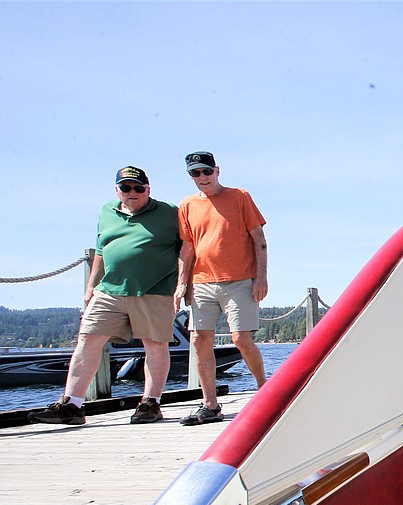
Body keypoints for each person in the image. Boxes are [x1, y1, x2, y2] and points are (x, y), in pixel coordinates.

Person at [28, 166, 181, 426]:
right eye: (125, 188)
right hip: (109, 290)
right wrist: (91, 286)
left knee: (155, 344)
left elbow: (186, 248)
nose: (132, 193)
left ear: (148, 189)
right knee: (87, 338)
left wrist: (182, 285)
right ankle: (72, 405)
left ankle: (150, 403)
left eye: (138, 188)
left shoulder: (169, 213)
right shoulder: (106, 211)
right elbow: (101, 250)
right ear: (117, 190)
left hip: (153, 290)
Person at [175, 151, 269, 426]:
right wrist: (183, 283)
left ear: (217, 170)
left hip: (239, 280)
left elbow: (259, 238)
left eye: (206, 171)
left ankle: (265, 391)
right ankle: (210, 405)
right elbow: (188, 247)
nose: (202, 177)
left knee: (241, 338)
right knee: (199, 340)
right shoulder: (187, 205)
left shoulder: (240, 196)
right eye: (195, 173)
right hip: (202, 282)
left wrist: (261, 278)